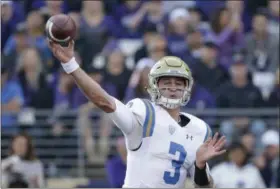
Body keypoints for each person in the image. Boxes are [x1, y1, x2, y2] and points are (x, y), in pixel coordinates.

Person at [48, 40, 227, 188]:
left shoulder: (199, 129)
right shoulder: (144, 112)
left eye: (179, 83)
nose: (173, 87)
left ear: (188, 88)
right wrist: (71, 65)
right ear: (154, 86)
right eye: (166, 82)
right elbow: (104, 101)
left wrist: (201, 166)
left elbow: (204, 187)